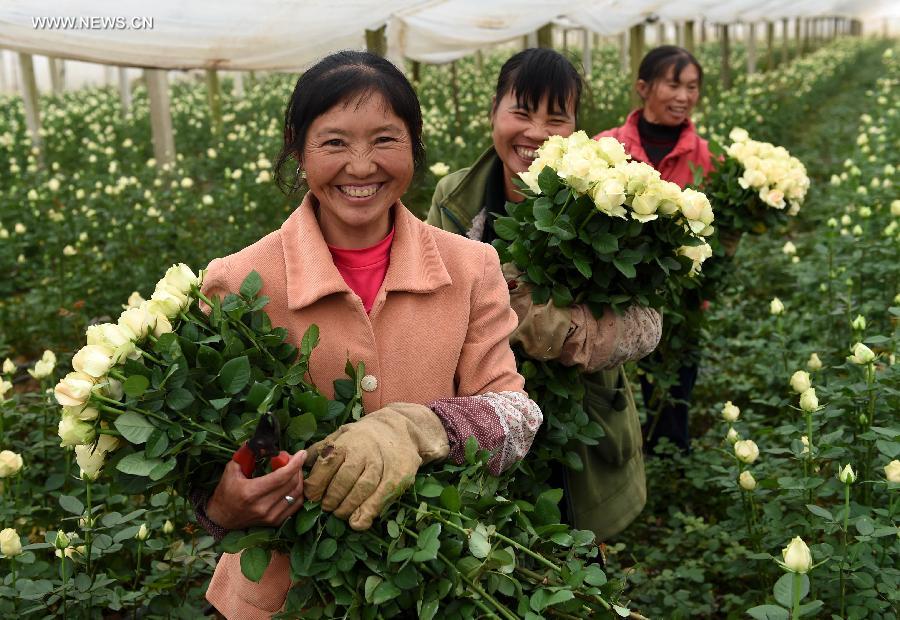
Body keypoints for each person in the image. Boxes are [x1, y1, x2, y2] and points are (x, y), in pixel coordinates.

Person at [192, 51, 543, 619]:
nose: (361, 166)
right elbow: (208, 443)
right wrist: (219, 504)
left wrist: (418, 428)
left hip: (430, 581)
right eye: (333, 143)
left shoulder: (472, 267)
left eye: (385, 140)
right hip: (281, 595)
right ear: (298, 151)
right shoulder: (238, 282)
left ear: (414, 146)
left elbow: (517, 417)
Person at [427, 48, 661, 543]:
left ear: (576, 127)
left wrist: (564, 330)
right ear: (493, 112)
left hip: (579, 425)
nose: (535, 132)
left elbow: (648, 324)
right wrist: (516, 307)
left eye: (556, 116)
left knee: (577, 557)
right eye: (521, 112)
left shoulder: (604, 199)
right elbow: (434, 299)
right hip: (485, 415)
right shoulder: (454, 197)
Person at [593, 45, 728, 453]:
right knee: (607, 387)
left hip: (678, 295)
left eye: (692, 87)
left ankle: (670, 456)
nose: (684, 96)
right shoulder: (607, 148)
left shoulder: (707, 157)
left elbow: (718, 229)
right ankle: (620, 457)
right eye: (673, 85)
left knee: (675, 377)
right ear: (643, 87)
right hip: (609, 289)